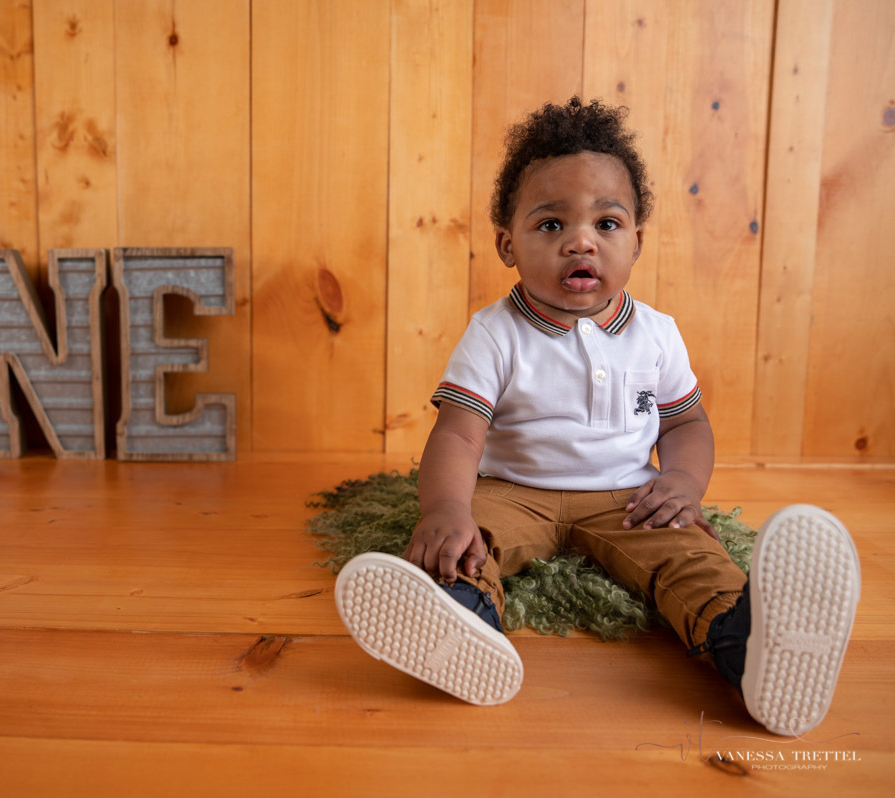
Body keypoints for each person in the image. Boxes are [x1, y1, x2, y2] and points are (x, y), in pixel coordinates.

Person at [334, 98, 861, 737]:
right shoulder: (495, 334)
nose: (581, 240)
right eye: (551, 225)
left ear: (637, 241)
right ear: (507, 243)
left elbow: (687, 425)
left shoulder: (657, 335)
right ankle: (460, 617)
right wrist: (445, 508)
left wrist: (684, 485)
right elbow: (459, 432)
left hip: (626, 498)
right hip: (513, 492)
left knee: (687, 552)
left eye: (606, 224)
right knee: (469, 546)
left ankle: (748, 641)